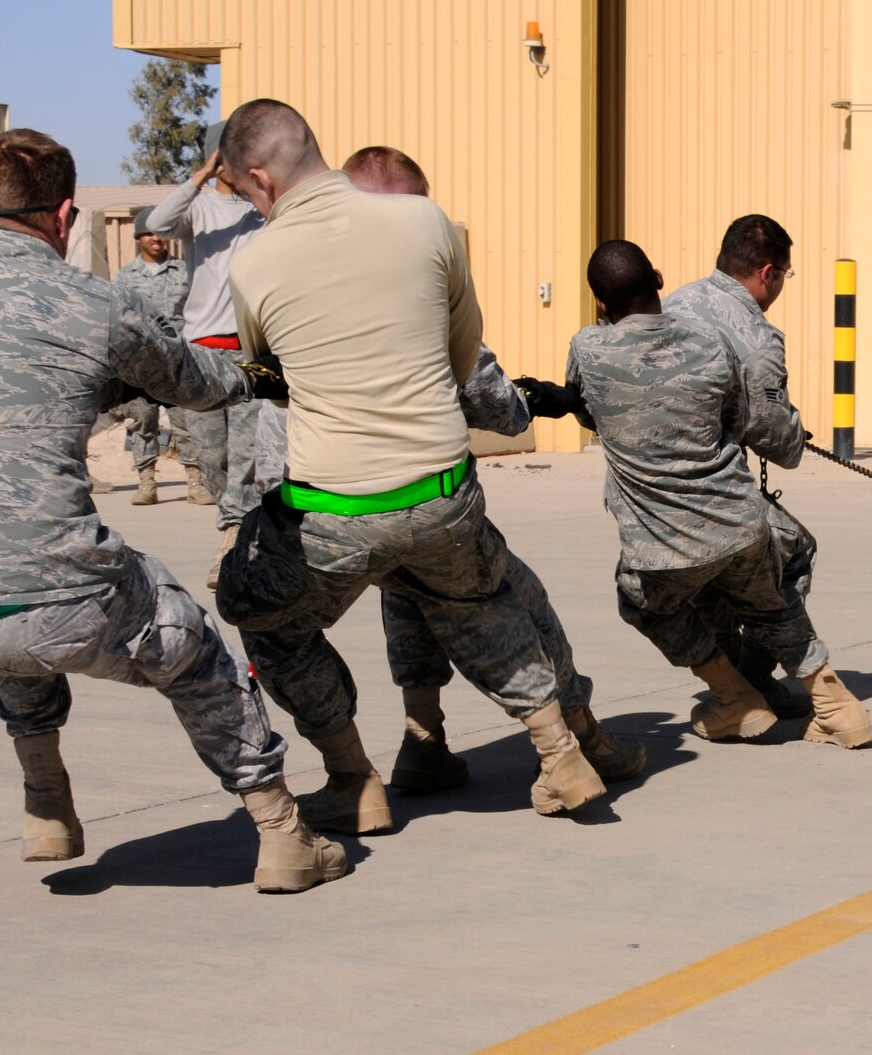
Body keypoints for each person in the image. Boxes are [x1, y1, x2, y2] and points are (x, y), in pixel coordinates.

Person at [0, 129, 344, 892]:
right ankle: (283, 832)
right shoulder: (94, 303)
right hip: (65, 602)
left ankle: (46, 803)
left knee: (14, 606)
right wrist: (264, 375)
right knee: (196, 649)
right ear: (65, 215)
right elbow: (194, 379)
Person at [212, 100, 602, 833]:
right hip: (443, 492)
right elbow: (462, 359)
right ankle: (562, 752)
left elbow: (270, 375)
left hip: (333, 510)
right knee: (480, 596)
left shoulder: (255, 260)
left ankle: (353, 779)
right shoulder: (427, 223)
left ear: (260, 180)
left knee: (257, 610)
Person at [339, 144, 644, 792]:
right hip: (430, 495)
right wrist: (530, 398)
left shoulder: (306, 286)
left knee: (407, 595)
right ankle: (573, 746)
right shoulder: (416, 286)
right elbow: (495, 405)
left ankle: (423, 739)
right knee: (516, 604)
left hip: (338, 506)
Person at [567, 240, 872, 749]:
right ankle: (838, 707)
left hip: (662, 543)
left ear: (600, 303)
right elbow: (739, 419)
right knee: (771, 604)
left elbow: (584, 410)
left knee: (639, 599)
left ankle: (734, 696)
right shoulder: (712, 345)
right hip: (740, 520)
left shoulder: (587, 349)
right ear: (659, 280)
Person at [661, 213, 817, 721]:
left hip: (647, 488)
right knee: (793, 552)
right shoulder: (755, 336)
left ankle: (731, 682)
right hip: (713, 485)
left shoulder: (672, 304)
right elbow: (773, 433)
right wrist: (795, 436)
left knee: (714, 582)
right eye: (784, 276)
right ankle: (750, 680)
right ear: (768, 272)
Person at [140, 123, 271, 583]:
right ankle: (237, 526)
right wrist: (202, 175)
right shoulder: (197, 210)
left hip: (252, 353)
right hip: (203, 353)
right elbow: (156, 223)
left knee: (247, 458)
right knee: (210, 460)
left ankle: (233, 538)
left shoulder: (265, 210)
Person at [110, 208, 190, 506]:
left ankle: (195, 480)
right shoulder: (126, 276)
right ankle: (146, 482)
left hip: (179, 358)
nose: (156, 238)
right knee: (143, 421)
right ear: (138, 238)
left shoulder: (184, 271)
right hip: (141, 361)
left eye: (160, 233)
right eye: (149, 233)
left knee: (185, 420)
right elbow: (118, 318)